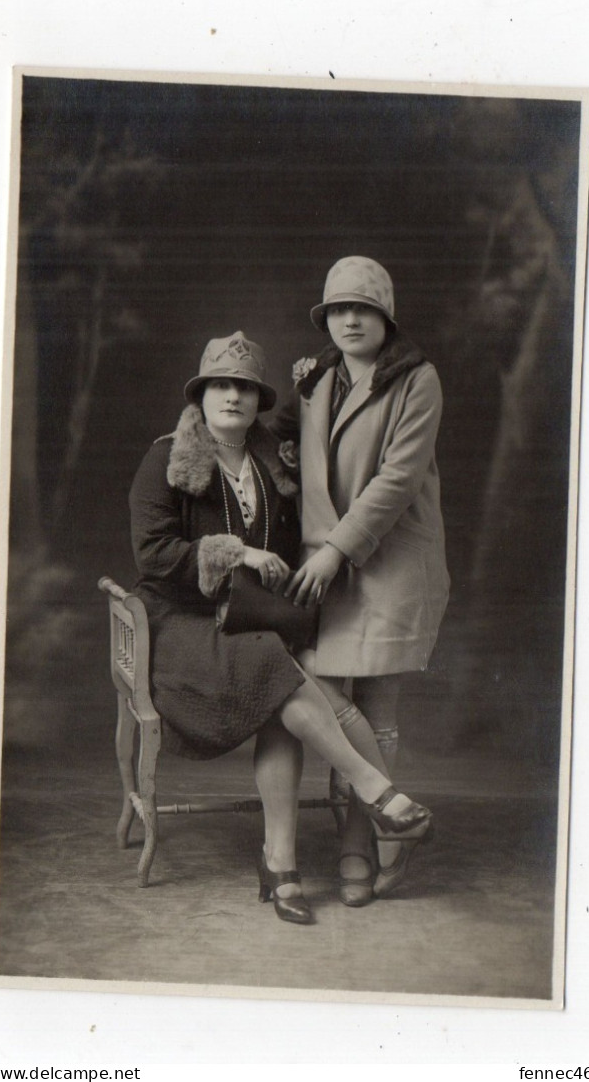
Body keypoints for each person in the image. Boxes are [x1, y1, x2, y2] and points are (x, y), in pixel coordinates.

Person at [128, 330, 433, 925]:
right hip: (180, 625)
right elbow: (153, 555)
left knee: (284, 677)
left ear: (258, 401)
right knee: (279, 669)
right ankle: (375, 791)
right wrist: (233, 552)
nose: (233, 397)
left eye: (245, 387)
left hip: (251, 622)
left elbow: (299, 533)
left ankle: (283, 861)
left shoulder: (274, 462)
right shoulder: (167, 456)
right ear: (201, 394)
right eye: (221, 385)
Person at [275, 257, 450, 906]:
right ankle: (384, 817)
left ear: (385, 318)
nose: (349, 319)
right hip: (325, 557)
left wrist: (333, 551)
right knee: (313, 682)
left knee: (378, 705)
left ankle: (361, 844)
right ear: (326, 320)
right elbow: (297, 455)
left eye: (363, 309)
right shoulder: (315, 379)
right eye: (337, 310)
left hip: (388, 561)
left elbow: (396, 481)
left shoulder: (416, 379)